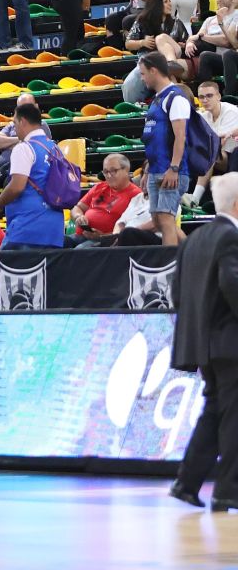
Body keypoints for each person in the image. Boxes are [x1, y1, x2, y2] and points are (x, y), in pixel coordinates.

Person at [168, 169, 238, 511]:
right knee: (234, 417)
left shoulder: (195, 238)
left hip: (203, 344)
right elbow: (232, 284)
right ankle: (228, 490)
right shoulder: (231, 238)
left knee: (214, 412)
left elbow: (176, 293)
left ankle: (187, 482)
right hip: (231, 342)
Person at [0, 97, 66, 249]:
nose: (15, 128)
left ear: (23, 121)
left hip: (27, 227)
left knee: (8, 263)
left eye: (15, 123)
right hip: (54, 228)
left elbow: (17, 186)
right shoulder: (55, 148)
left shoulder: (24, 147)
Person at [138, 52, 194, 248]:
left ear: (154, 71)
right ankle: (192, 253)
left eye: (143, 73)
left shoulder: (175, 98)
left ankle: (169, 262)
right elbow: (154, 139)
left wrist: (174, 168)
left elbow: (181, 137)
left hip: (171, 169)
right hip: (155, 168)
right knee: (157, 220)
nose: (142, 78)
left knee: (166, 218)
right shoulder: (157, 99)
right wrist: (147, 170)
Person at [71, 153, 139, 245]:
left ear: (126, 170)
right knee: (57, 244)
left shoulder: (136, 195)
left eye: (113, 171)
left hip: (106, 242)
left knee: (79, 250)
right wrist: (78, 216)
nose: (109, 176)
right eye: (106, 172)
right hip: (80, 235)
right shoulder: (99, 186)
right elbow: (77, 208)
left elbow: (133, 230)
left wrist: (102, 236)